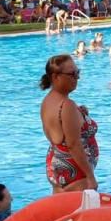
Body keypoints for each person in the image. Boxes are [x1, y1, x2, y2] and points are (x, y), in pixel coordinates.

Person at [40, 54, 98, 192]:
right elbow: (73, 145)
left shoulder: (47, 102)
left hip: (57, 167)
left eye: (78, 72)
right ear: (55, 77)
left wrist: (79, 113)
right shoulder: (66, 106)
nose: (77, 77)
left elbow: (60, 135)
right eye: (72, 74)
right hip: (75, 173)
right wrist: (90, 176)